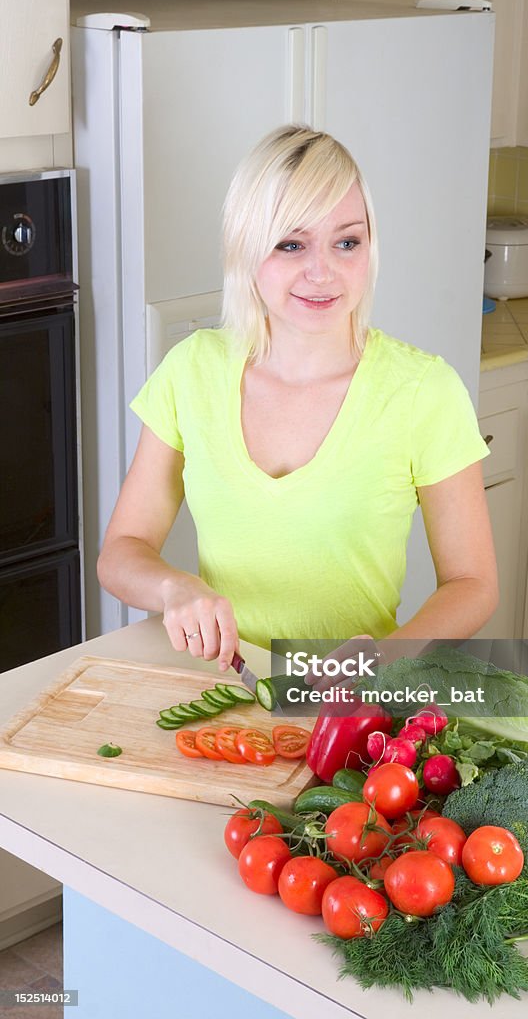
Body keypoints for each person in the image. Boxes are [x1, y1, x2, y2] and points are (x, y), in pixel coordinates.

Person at [97, 125, 498, 675]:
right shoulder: (192, 371)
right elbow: (123, 548)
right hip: (222, 692)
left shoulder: (423, 392)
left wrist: (386, 660)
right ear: (246, 249)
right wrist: (175, 587)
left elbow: (473, 583)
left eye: (347, 242)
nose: (323, 271)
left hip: (353, 707)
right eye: (291, 244)